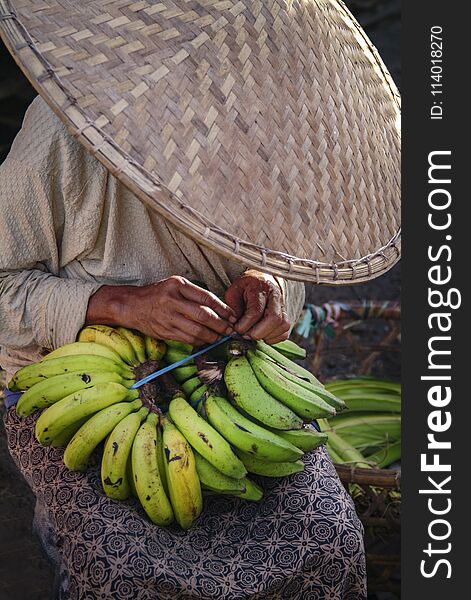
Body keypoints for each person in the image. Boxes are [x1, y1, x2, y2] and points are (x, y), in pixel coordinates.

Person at [0, 97, 366, 599]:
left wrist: (270, 287)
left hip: (227, 367)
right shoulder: (65, 127)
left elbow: (291, 264)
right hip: (77, 379)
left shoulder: (281, 133)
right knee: (122, 572)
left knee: (329, 537)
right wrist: (120, 304)